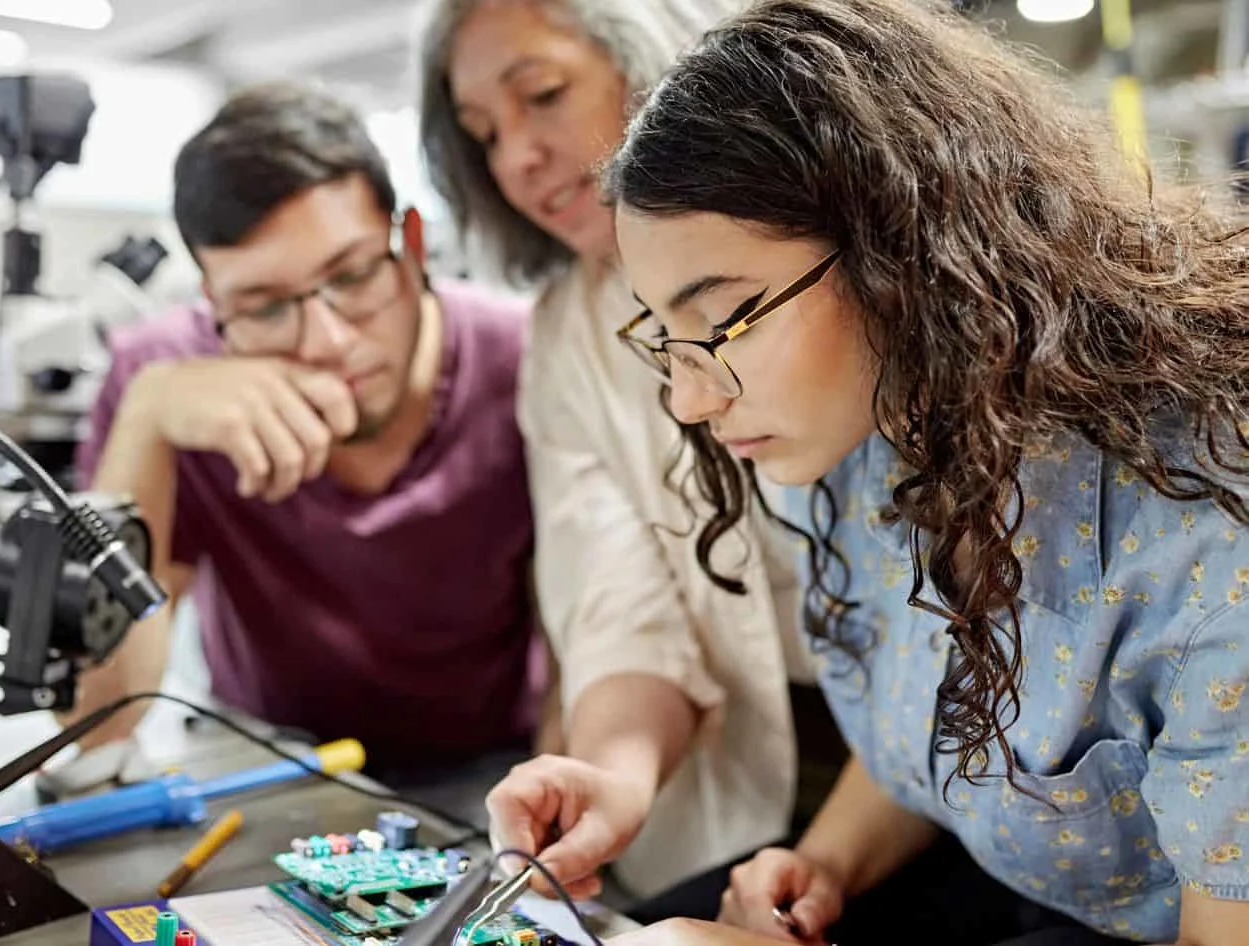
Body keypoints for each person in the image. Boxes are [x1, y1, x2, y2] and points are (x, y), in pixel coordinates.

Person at [591, 1, 1249, 944]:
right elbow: (948, 708)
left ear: (904, 245)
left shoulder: (1210, 531)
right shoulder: (883, 423)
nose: (688, 400)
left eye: (724, 320)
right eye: (666, 337)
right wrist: (825, 866)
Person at [418, 0, 844, 903]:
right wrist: (613, 776)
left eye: (542, 94)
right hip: (751, 772)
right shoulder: (569, 334)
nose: (517, 158)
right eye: (484, 133)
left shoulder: (841, 259)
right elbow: (617, 596)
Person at [70, 82, 544, 785]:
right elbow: (98, 723)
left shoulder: (524, 362)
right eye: (262, 308)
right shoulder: (163, 381)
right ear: (213, 302)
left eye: (352, 276)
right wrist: (145, 423)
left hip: (493, 770)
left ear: (411, 244)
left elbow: (595, 641)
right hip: (262, 761)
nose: (325, 342)